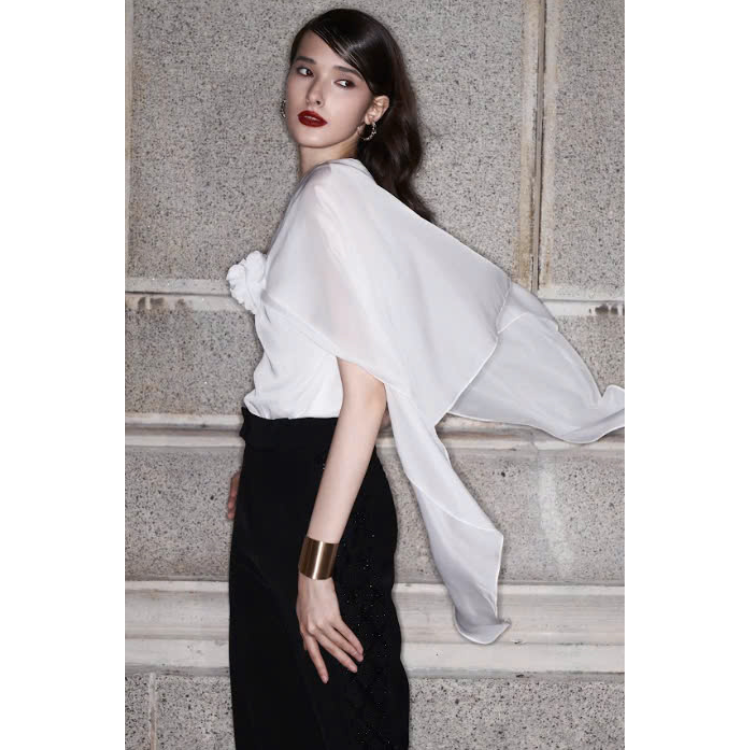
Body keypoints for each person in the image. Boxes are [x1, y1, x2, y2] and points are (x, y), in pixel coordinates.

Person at [225, 8, 624, 750]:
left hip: (317, 508)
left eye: (345, 81)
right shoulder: (327, 198)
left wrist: (316, 567)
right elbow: (302, 370)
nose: (317, 91)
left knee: (331, 726)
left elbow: (366, 396)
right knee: (290, 719)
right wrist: (262, 465)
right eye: (306, 69)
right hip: (287, 486)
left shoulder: (332, 198)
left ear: (373, 109)